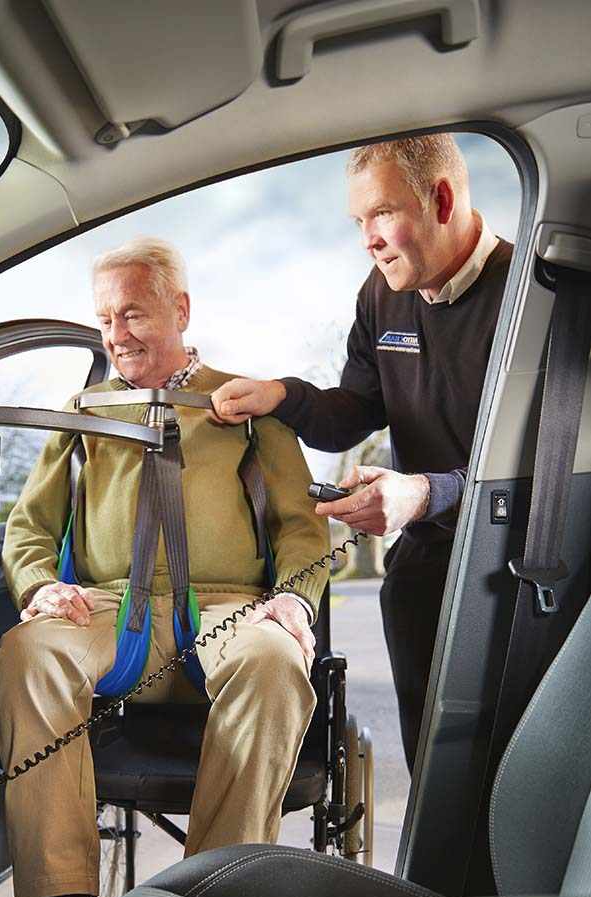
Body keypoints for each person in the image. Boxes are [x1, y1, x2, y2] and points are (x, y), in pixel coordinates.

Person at [0, 237, 330, 897]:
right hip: (112, 608)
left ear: (180, 309)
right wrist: (41, 586)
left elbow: (303, 530)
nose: (117, 333)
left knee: (277, 660)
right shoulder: (82, 413)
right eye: (106, 318)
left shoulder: (248, 408)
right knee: (27, 652)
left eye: (134, 312)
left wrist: (293, 602)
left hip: (227, 605)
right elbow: (28, 529)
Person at [210, 135, 513, 772]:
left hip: (518, 569)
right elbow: (351, 416)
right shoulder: (381, 294)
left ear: (442, 198)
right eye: (358, 222)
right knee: (436, 770)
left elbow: (546, 468)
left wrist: (426, 492)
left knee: (511, 771)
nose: (367, 240)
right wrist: (281, 394)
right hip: (425, 569)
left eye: (381, 215)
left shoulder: (529, 299)